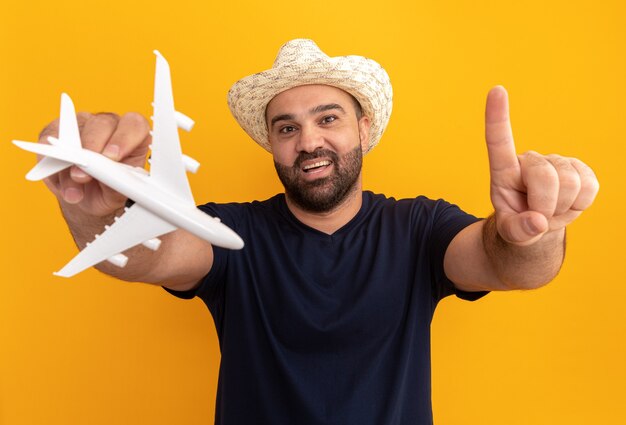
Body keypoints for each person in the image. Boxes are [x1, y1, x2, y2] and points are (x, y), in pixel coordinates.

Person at [37, 39, 599, 424]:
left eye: (328, 118)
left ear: (364, 127)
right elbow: (141, 255)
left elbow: (506, 265)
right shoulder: (232, 231)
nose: (308, 142)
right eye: (287, 127)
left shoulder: (420, 227)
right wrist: (90, 201)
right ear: (273, 144)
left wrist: (534, 233)